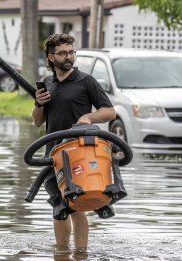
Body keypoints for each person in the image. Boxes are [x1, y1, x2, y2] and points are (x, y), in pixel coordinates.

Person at [32, 33, 116, 250]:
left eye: (71, 52)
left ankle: (80, 256)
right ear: (51, 57)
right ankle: (61, 256)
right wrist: (38, 105)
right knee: (59, 208)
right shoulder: (47, 84)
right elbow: (37, 122)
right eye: (62, 53)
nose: (68, 57)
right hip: (53, 155)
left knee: (77, 204)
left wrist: (89, 117)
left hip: (80, 153)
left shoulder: (85, 81)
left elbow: (109, 112)